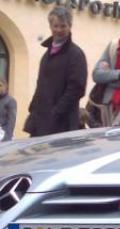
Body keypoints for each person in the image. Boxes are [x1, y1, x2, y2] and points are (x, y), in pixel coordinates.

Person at [24, 6, 87, 137]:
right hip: (40, 121)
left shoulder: (76, 55)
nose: (58, 30)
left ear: (70, 26)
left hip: (61, 123)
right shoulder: (46, 54)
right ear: (50, 26)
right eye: (55, 26)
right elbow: (40, 85)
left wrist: (57, 112)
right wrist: (33, 109)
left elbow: (76, 89)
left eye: (63, 26)